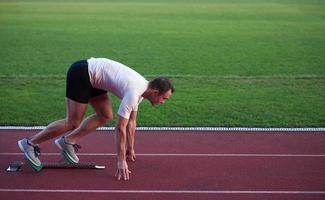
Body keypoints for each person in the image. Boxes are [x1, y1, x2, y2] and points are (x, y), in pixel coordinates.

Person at [18, 57, 174, 180]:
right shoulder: (134, 93)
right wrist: (120, 160)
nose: (163, 102)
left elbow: (132, 123)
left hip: (93, 79)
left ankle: (67, 141)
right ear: (155, 92)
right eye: (164, 98)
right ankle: (30, 143)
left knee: (105, 116)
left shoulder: (141, 91)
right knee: (73, 122)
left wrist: (130, 148)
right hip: (82, 72)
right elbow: (120, 127)